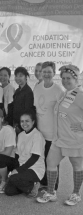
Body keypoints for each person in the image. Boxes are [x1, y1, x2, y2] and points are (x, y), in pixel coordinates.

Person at [37, 65, 83, 206]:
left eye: (68, 78)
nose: (65, 81)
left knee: (77, 166)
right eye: (63, 78)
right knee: (51, 162)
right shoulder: (65, 93)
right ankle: (51, 192)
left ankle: (76, 194)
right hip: (59, 139)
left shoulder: (80, 94)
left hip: (74, 139)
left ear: (76, 79)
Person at [33, 61, 64, 190]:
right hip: (40, 132)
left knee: (52, 161)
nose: (46, 74)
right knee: (43, 159)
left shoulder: (58, 90)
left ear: (54, 73)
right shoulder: (38, 87)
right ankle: (46, 183)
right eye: (44, 71)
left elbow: (63, 113)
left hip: (53, 133)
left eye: (49, 72)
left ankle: (53, 187)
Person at [5, 111, 45, 198]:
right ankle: (28, 185)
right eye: (22, 121)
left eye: (27, 121)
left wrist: (18, 170)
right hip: (23, 167)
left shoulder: (37, 135)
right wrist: (15, 168)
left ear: (33, 122)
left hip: (35, 169)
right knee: (9, 191)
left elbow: (35, 157)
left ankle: (34, 184)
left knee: (13, 178)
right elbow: (18, 154)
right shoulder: (21, 135)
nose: (24, 123)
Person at [6, 67, 34, 131]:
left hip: (23, 125)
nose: (18, 78)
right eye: (16, 76)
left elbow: (27, 111)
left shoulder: (28, 92)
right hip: (16, 124)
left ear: (26, 77)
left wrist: (20, 125)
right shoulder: (17, 90)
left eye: (20, 76)